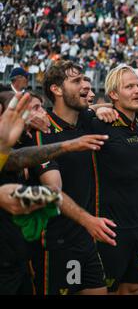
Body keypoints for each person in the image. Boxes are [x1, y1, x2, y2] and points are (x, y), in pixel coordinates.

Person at [28, 60, 115, 295]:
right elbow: (52, 190)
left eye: (84, 79)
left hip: (86, 239)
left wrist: (101, 108)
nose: (85, 85)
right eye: (76, 81)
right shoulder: (43, 131)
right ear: (56, 89)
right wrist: (88, 220)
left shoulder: (85, 119)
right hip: (57, 242)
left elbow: (120, 106)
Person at [91, 65, 138, 295]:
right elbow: (70, 115)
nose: (137, 91)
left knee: (135, 287)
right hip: (110, 227)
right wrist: (97, 108)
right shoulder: (99, 123)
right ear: (114, 94)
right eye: (129, 87)